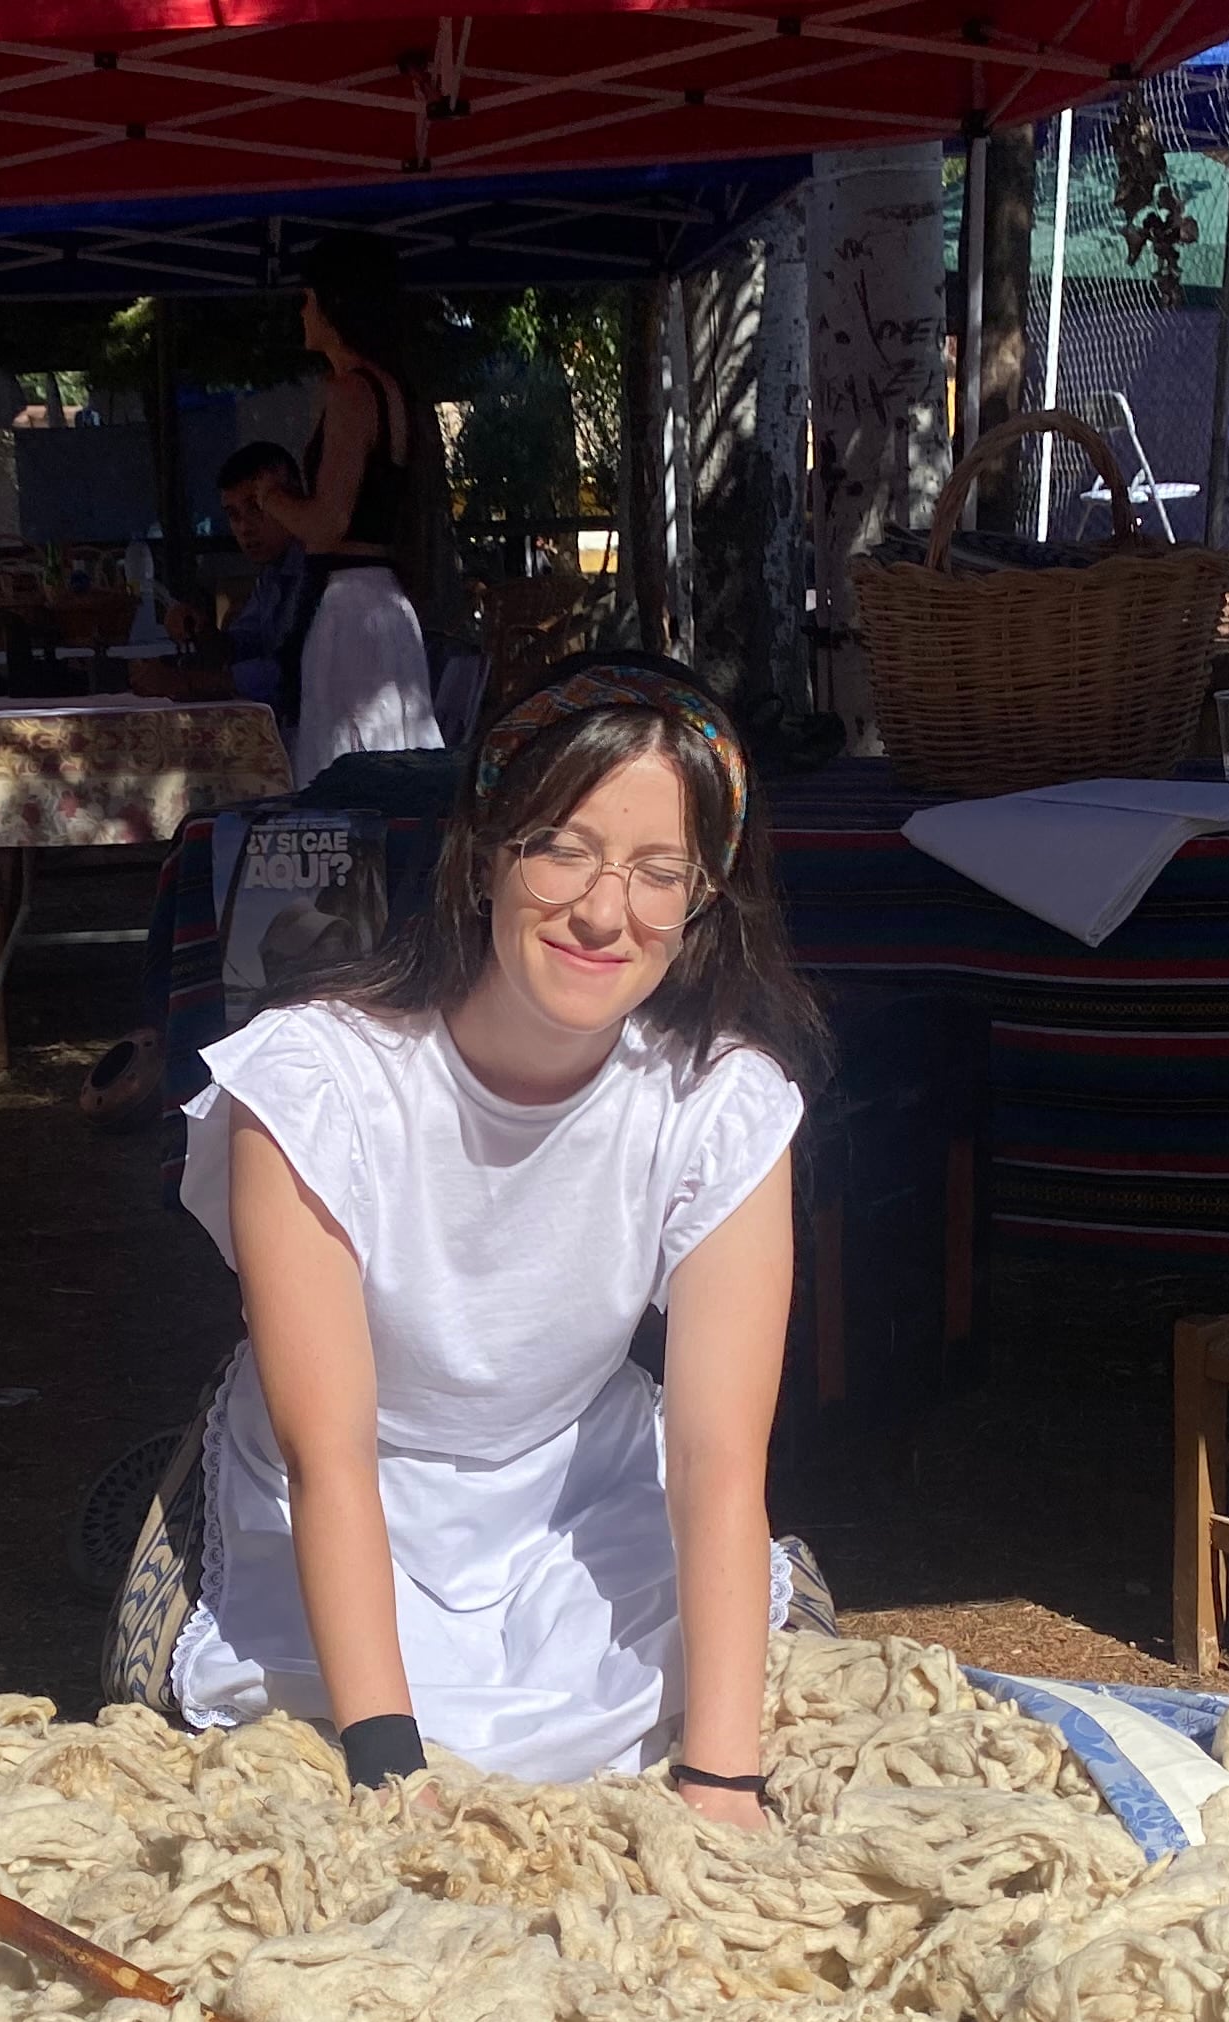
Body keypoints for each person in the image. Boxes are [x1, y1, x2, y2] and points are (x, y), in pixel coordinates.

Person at [119, 659, 828, 1811]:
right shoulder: (316, 1081)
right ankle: (172, 1522)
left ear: (703, 901)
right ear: (486, 849)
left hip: (576, 1482)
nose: (607, 912)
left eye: (660, 873)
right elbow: (331, 1452)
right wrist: (391, 1772)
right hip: (343, 1492)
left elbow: (712, 1457)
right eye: (565, 849)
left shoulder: (721, 1103)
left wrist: (722, 1776)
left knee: (730, 1677)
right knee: (320, 1750)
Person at [253, 236, 446, 776]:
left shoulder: (353, 393)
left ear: (336, 304)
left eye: (309, 296)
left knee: (350, 773)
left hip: (351, 610)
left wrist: (272, 498)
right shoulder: (391, 391)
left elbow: (326, 524)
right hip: (381, 605)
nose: (302, 309)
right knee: (393, 767)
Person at [142, 441, 312, 720]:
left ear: (293, 501)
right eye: (233, 515)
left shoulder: (318, 573)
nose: (245, 527)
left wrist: (188, 682)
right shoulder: (270, 577)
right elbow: (241, 647)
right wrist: (200, 630)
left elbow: (292, 674)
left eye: (257, 508)